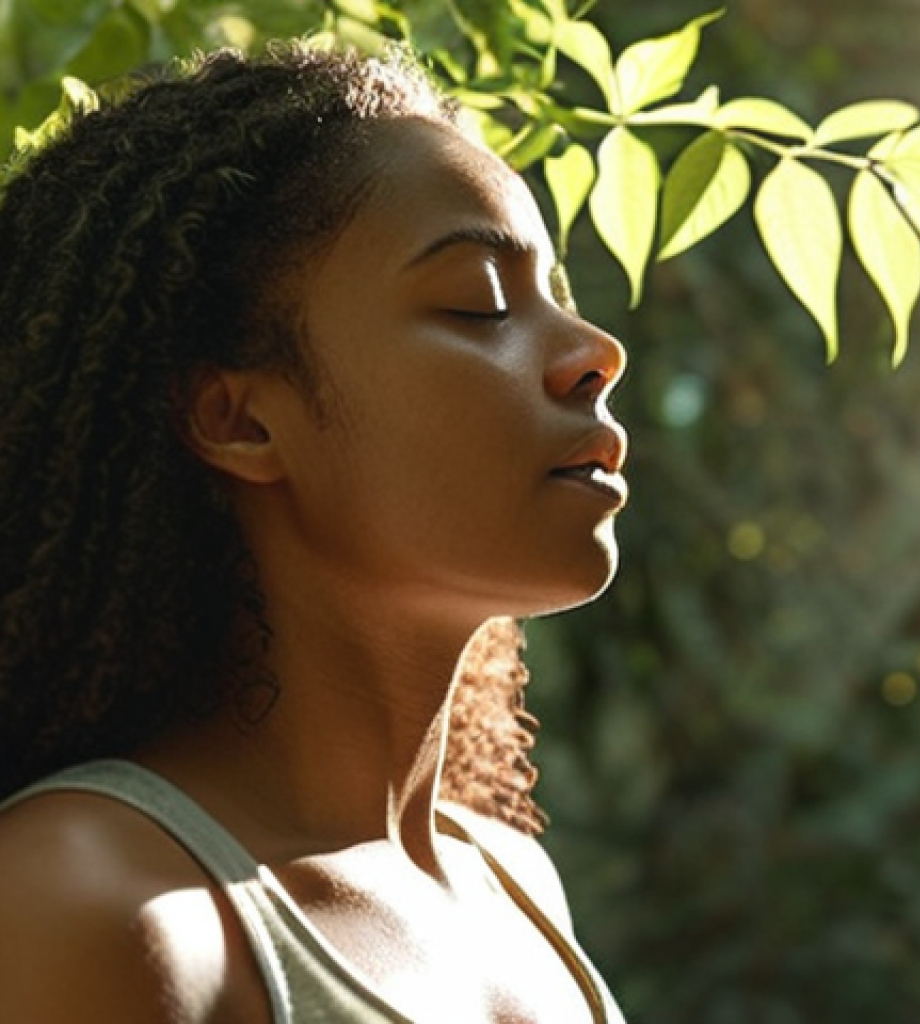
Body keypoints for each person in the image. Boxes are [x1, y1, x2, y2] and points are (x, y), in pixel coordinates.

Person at [0, 40, 629, 1024]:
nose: (594, 353)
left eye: (561, 297)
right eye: (481, 303)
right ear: (237, 419)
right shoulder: (85, 905)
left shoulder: (512, 882)